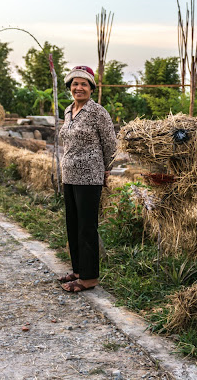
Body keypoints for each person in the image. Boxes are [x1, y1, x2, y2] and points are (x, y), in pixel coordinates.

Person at [58, 65, 116, 292]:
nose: (78, 88)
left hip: (90, 175)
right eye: (75, 84)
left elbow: (110, 143)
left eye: (83, 84)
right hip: (69, 174)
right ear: (69, 88)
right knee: (72, 224)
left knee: (86, 227)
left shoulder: (97, 112)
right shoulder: (68, 110)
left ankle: (89, 278)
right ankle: (78, 270)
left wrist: (107, 169)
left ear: (91, 88)